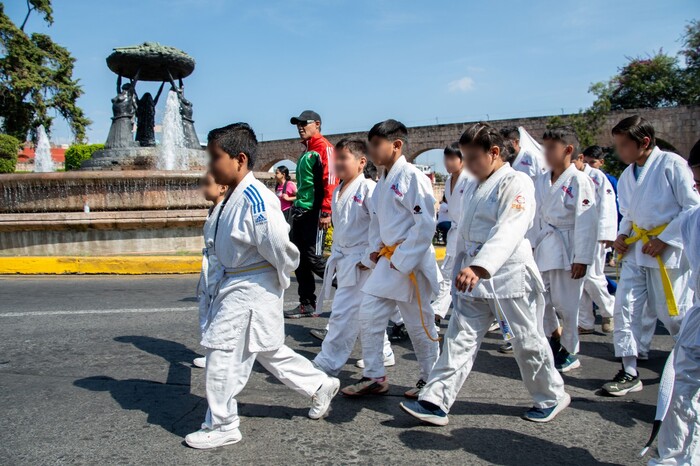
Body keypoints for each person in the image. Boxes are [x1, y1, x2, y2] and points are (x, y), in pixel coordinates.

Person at [400, 122, 569, 426]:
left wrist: (480, 266)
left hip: (508, 274)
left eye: (472, 158)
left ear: (493, 153)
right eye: (464, 158)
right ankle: (436, 399)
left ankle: (551, 395)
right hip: (473, 275)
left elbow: (511, 227)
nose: (467, 165)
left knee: (526, 340)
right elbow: (464, 231)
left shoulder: (517, 183)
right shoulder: (477, 186)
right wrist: (458, 268)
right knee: (459, 338)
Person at [185, 123, 339, 450]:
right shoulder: (232, 198)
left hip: (249, 287)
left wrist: (276, 280)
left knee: (220, 353)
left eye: (216, 158)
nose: (211, 166)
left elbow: (281, 249)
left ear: (239, 159)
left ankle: (223, 423)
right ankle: (319, 386)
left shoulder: (256, 198)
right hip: (239, 283)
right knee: (268, 351)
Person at [341, 119, 440, 399]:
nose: (371, 150)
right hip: (388, 260)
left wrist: (404, 258)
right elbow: (377, 221)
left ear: (396, 145)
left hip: (410, 261)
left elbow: (425, 224)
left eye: (375, 145)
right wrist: (374, 250)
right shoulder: (383, 181)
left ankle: (430, 379)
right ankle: (374, 375)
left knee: (419, 324)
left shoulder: (412, 176)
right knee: (369, 314)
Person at [602, 116, 698, 396]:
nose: (619, 151)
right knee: (626, 308)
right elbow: (629, 213)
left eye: (623, 145)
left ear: (644, 142)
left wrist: (665, 239)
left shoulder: (672, 165)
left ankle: (692, 361)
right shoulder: (629, 175)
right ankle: (629, 370)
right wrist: (621, 235)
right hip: (636, 249)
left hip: (665, 252)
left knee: (673, 314)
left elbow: (692, 207)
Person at [312, 138, 395, 376]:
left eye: (343, 158)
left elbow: (382, 224)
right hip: (346, 258)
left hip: (362, 261)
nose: (337, 163)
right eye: (335, 158)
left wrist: (371, 256)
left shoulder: (369, 188)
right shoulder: (338, 190)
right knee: (363, 312)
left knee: (342, 313)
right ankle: (385, 352)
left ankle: (328, 361)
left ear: (361, 162)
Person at [649, 140, 700, 465]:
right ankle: (672, 459)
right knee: (683, 386)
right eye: (696, 182)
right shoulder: (693, 219)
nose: (696, 189)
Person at [533, 127, 598, 373]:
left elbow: (586, 221)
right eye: (544, 148)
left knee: (568, 304)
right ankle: (554, 335)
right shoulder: (541, 179)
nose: (545, 153)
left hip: (568, 245)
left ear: (568, 150)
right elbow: (535, 216)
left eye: (551, 148)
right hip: (545, 244)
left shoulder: (580, 180)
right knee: (540, 299)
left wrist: (582, 257)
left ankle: (570, 350)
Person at [285, 110, 338, 318]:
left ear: (317, 124)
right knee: (299, 258)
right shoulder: (307, 151)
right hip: (301, 212)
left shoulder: (324, 148)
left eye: (303, 123)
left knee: (314, 258)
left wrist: (326, 211)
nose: (300, 127)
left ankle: (353, 291)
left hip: (316, 212)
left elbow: (331, 179)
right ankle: (306, 303)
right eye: (297, 124)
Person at [572, 152, 617, 335]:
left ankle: (609, 311)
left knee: (592, 277)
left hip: (595, 233)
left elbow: (607, 203)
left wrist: (607, 232)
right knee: (577, 279)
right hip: (574, 234)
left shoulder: (597, 176)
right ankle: (585, 322)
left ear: (579, 158)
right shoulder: (569, 177)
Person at [432, 143, 472, 328]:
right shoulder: (449, 181)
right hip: (455, 234)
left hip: (468, 235)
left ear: (462, 160)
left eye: (452, 158)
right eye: (445, 159)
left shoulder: (470, 179)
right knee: (448, 275)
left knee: (469, 280)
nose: (447, 163)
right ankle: (438, 312)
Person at [193, 172, 228, 369]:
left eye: (208, 184)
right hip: (211, 263)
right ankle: (212, 351)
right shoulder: (214, 209)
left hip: (219, 265)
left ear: (222, 188)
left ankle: (216, 354)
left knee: (216, 309)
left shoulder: (225, 210)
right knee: (206, 307)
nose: (204, 188)